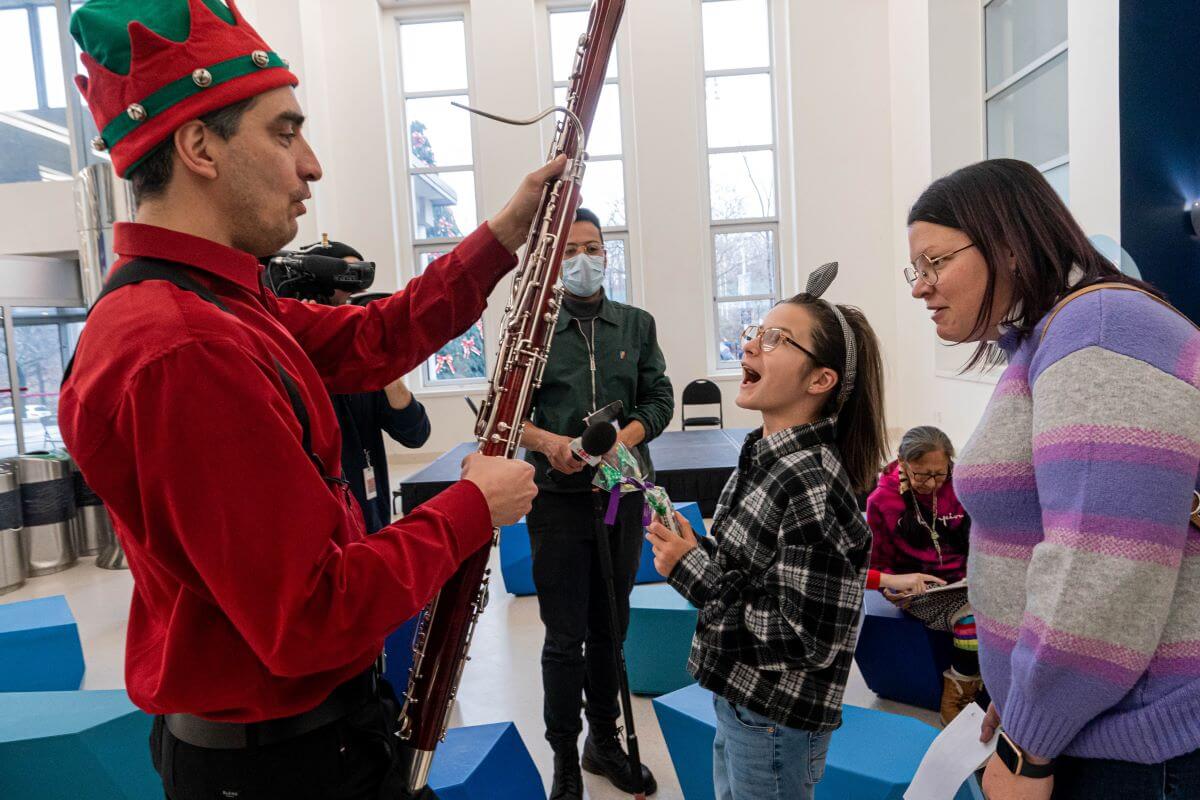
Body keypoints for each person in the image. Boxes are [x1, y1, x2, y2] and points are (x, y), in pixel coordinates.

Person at [60, 1, 560, 797]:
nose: (312, 165)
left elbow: (375, 339)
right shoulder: (185, 348)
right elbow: (310, 617)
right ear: (199, 146)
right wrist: (469, 507)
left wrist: (503, 234)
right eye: (285, 132)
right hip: (279, 765)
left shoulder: (214, 303)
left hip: (301, 739)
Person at [906, 158, 1200, 799]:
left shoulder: (1098, 331)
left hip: (1135, 747)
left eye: (935, 263)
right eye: (916, 269)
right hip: (1085, 729)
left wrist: (1030, 745)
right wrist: (1021, 700)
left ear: (1007, 244)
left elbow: (1101, 571)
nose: (919, 287)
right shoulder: (1052, 338)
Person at [647, 262, 888, 800]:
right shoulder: (761, 454)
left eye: (777, 339)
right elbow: (749, 576)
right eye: (757, 331)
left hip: (773, 716)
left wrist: (692, 571)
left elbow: (803, 637)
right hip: (737, 695)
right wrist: (695, 548)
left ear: (820, 380)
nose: (751, 345)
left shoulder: (812, 481)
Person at [518, 207, 674, 799]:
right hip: (555, 501)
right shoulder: (531, 331)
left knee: (612, 625)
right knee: (564, 636)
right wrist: (551, 443)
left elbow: (658, 397)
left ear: (607, 253)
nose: (584, 258)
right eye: (570, 249)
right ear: (553, 260)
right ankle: (562, 754)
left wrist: (621, 440)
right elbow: (507, 415)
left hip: (620, 499)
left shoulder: (635, 325)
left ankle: (603, 742)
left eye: (594, 246)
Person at [281, 239, 433, 534]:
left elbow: (416, 434)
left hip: (371, 514)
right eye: (344, 284)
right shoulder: (285, 346)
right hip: (321, 521)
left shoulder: (361, 359)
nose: (350, 298)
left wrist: (383, 361)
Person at [865, 425, 980, 725]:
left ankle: (989, 695)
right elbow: (878, 565)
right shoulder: (882, 501)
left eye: (939, 473)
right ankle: (957, 694)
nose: (931, 483)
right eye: (921, 474)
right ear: (902, 464)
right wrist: (889, 589)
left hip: (969, 581)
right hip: (921, 592)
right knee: (972, 618)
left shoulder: (962, 485)